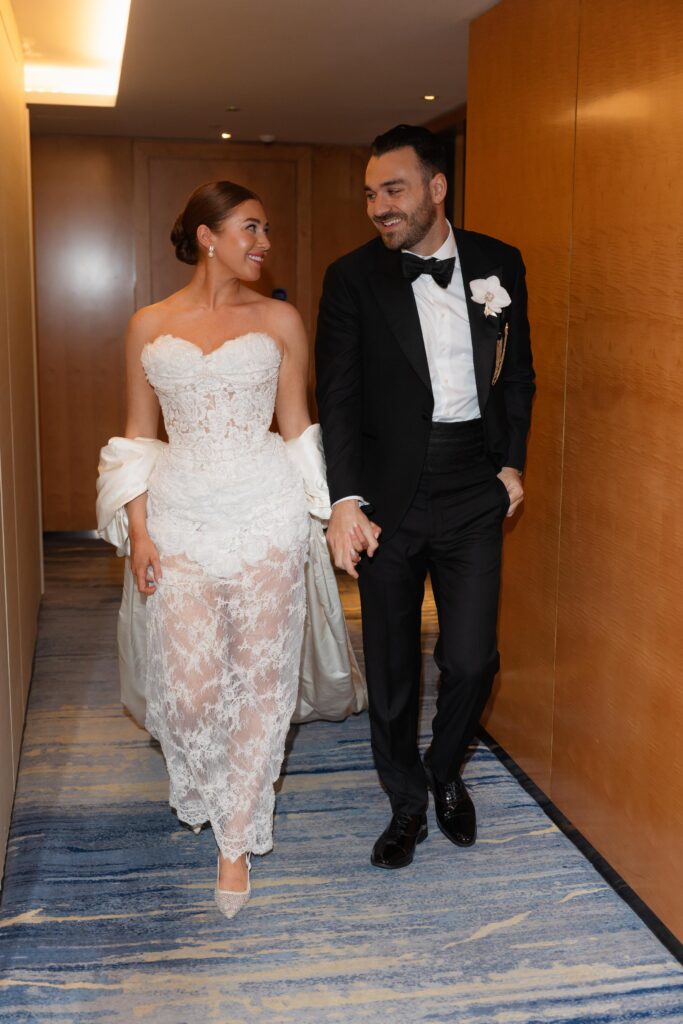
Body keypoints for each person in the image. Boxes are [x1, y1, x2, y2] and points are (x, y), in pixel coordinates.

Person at [315, 124, 535, 870]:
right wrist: (344, 499)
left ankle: (443, 773)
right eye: (371, 194)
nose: (379, 206)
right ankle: (405, 801)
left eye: (394, 189)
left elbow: (520, 375)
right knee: (391, 665)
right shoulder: (350, 279)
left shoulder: (499, 264)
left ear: (436, 188)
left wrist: (511, 462)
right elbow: (337, 400)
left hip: (474, 486)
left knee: (472, 661)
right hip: (386, 498)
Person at [100, 181, 318, 919]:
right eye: (250, 228)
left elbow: (297, 428)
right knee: (191, 690)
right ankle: (214, 787)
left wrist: (332, 512)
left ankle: (236, 837)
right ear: (205, 235)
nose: (262, 242)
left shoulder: (282, 319)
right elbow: (135, 433)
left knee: (259, 681)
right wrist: (137, 531)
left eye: (264, 229)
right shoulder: (148, 323)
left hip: (266, 514)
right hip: (181, 516)